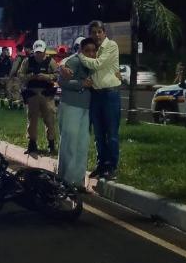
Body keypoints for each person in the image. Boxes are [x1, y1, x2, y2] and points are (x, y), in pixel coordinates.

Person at [77, 20, 121, 180]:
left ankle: (112, 166)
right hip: (96, 95)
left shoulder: (111, 46)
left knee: (112, 133)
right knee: (99, 134)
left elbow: (97, 64)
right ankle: (101, 164)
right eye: (93, 32)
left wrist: (81, 56)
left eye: (99, 32)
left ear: (105, 32)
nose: (96, 35)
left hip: (110, 94)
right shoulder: (93, 49)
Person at [57, 37, 94, 191]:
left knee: (82, 145)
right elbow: (62, 82)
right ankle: (65, 180)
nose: (91, 53)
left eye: (94, 51)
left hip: (86, 109)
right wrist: (81, 84)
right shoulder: (74, 61)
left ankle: (78, 182)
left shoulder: (93, 64)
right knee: (69, 144)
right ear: (80, 50)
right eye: (87, 51)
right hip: (71, 106)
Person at [20, 39, 58, 155]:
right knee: (32, 120)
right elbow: (20, 75)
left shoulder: (51, 61)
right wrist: (30, 77)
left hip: (47, 94)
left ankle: (51, 145)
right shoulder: (27, 61)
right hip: (32, 94)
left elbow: (57, 75)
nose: (39, 54)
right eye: (37, 52)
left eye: (41, 52)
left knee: (50, 120)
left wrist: (46, 77)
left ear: (45, 51)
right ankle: (32, 144)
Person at [7, 44, 29, 110]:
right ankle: (21, 105)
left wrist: (10, 76)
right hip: (23, 77)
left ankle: (14, 106)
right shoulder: (25, 57)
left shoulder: (18, 57)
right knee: (21, 91)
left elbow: (14, 68)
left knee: (14, 91)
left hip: (16, 77)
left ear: (16, 49)